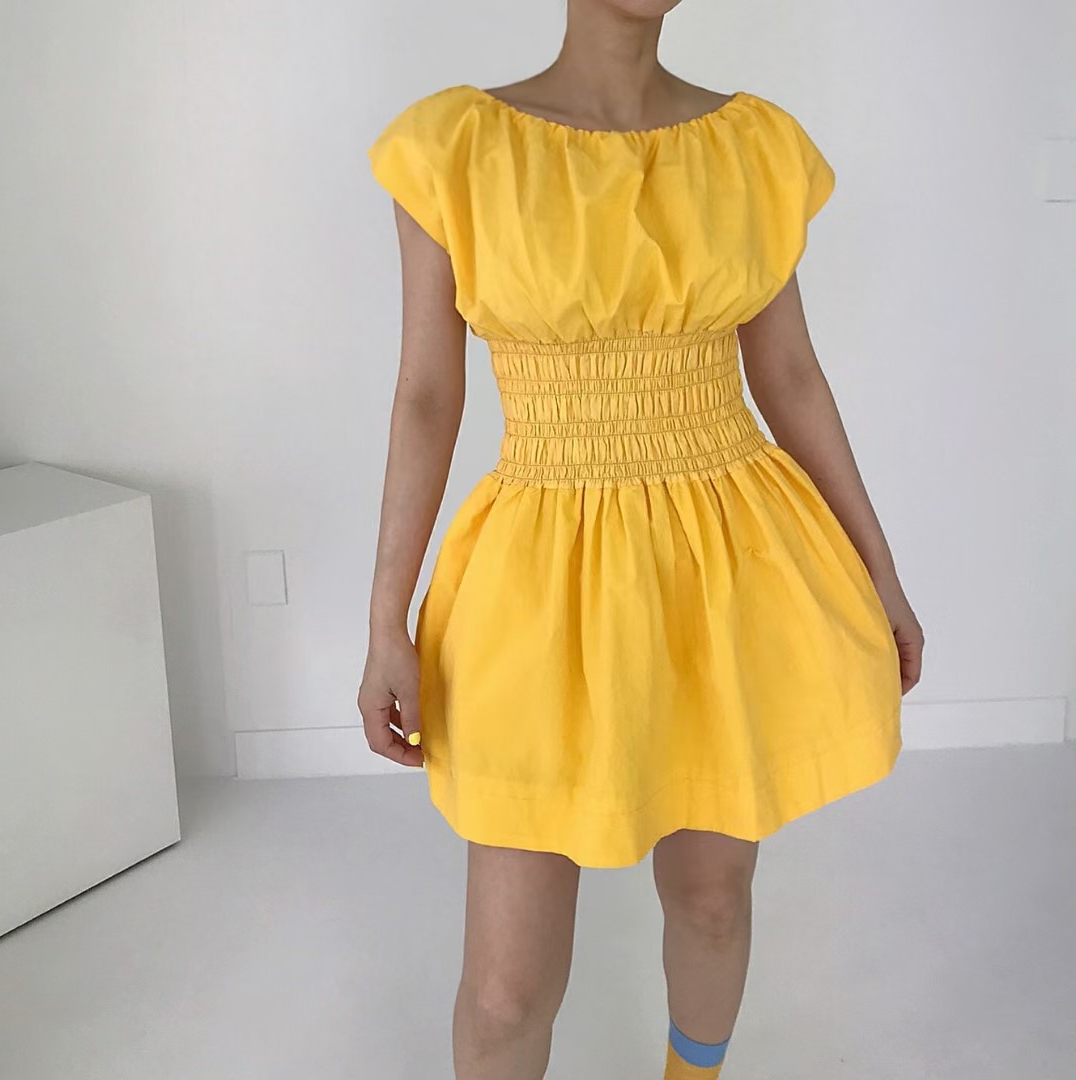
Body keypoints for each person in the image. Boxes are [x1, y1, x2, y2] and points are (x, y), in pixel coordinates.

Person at [359, 2, 924, 1076]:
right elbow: (427, 395)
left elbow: (791, 377)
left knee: (712, 899)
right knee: (506, 991)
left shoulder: (751, 146)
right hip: (541, 572)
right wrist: (387, 618)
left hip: (725, 559)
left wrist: (880, 573)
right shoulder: (456, 146)